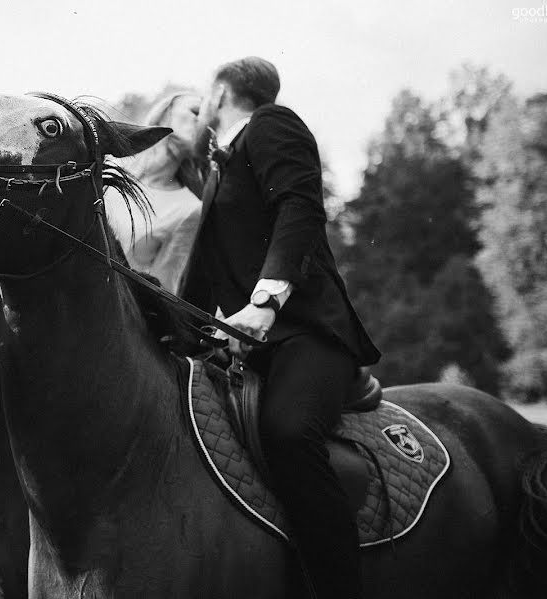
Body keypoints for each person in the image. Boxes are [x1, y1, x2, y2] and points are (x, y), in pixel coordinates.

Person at [181, 57, 381, 598]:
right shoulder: (222, 166)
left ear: (221, 96)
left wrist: (266, 300)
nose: (198, 108)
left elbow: (301, 207)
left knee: (289, 434)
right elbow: (200, 276)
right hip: (253, 349)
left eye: (202, 97)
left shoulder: (271, 125)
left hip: (309, 336)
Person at [107, 93, 206, 294]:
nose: (204, 120)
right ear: (163, 115)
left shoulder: (190, 208)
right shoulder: (109, 168)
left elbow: (162, 291)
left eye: (209, 118)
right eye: (196, 111)